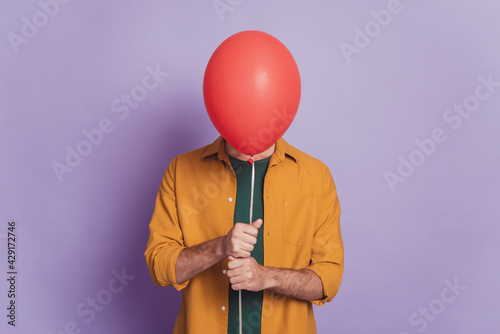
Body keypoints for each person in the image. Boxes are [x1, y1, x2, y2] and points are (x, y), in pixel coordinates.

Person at [145, 135, 344, 334]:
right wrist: (220, 247)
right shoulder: (181, 169)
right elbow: (160, 265)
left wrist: (266, 277)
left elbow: (328, 280)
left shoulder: (316, 175)